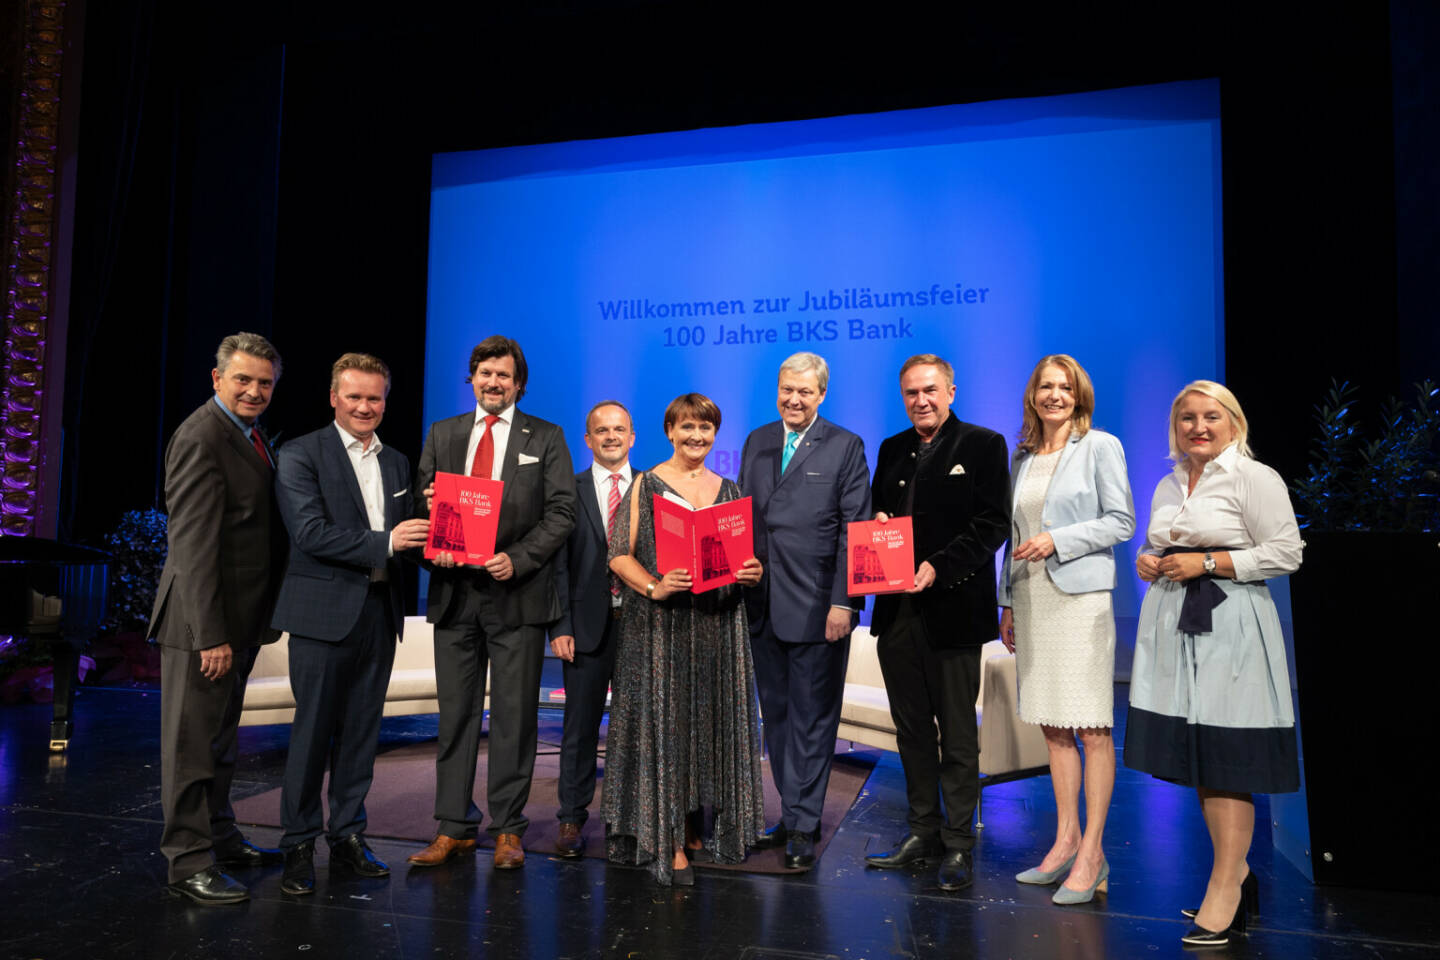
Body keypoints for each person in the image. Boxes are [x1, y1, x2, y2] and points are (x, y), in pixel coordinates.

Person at [1125, 380, 1302, 947]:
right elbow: (1164, 546)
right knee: (1203, 755)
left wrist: (1208, 561)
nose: (1198, 427)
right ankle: (1238, 876)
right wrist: (1151, 563)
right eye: (1187, 419)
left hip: (1231, 626)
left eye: (1210, 417)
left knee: (1230, 756)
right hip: (1177, 627)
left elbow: (1286, 552)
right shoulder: (1169, 482)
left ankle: (1225, 887)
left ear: (1233, 423)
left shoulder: (1254, 478)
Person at [408, 336, 576, 870]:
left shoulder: (546, 437)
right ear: (472, 378)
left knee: (513, 719)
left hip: (517, 596)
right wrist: (435, 522)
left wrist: (519, 559)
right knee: (455, 718)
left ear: (519, 384)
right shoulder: (443, 433)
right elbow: (421, 503)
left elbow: (562, 512)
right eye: (485, 373)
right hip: (456, 597)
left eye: (504, 375)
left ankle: (508, 829)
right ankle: (453, 826)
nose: (493, 383)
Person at [270, 353, 431, 895]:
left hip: (380, 614)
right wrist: (388, 542)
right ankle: (296, 844)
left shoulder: (397, 462)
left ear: (386, 401)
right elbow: (310, 533)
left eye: (375, 398)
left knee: (362, 736)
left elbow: (409, 540)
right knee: (312, 736)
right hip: (321, 618)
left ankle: (347, 836)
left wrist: (446, 539)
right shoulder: (299, 453)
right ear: (333, 397)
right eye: (355, 396)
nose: (365, 407)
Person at [149, 332, 288, 904]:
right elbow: (192, 547)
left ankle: (221, 837)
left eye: (264, 383)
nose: (254, 391)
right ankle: (187, 861)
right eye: (243, 380)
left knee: (221, 741)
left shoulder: (247, 434)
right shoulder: (201, 435)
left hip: (239, 623)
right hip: (201, 626)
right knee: (191, 747)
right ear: (217, 379)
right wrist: (210, 636)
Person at [605, 393, 766, 886]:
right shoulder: (644, 484)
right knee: (669, 730)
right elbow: (618, 555)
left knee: (704, 724)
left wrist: (752, 572)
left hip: (717, 626)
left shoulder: (730, 488)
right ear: (669, 430)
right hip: (660, 627)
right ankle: (668, 839)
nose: (697, 436)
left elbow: (743, 558)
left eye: (706, 428)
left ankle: (696, 821)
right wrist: (654, 585)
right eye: (688, 427)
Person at [863, 354, 1010, 892]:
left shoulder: (982, 444)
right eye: (910, 393)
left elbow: (992, 523)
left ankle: (958, 843)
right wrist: (879, 525)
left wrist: (939, 567)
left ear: (951, 390)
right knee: (911, 732)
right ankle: (921, 833)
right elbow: (881, 515)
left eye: (930, 390)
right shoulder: (891, 448)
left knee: (957, 735)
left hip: (951, 610)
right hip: (896, 613)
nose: (920, 400)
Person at [997, 354, 1135, 904]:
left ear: (1079, 396)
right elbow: (1014, 534)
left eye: (1065, 387)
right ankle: (1064, 842)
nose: (1055, 395)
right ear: (1032, 395)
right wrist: (1006, 602)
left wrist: (1060, 539)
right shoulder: (1025, 455)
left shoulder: (1099, 445)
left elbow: (1120, 521)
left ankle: (1094, 853)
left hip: (1079, 603)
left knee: (1091, 726)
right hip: (1032, 599)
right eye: (1045, 386)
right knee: (1054, 728)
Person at [738, 352, 870, 871]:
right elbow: (744, 518)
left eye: (805, 392)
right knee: (777, 718)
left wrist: (844, 601)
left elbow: (853, 531)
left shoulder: (845, 445)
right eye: (786, 390)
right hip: (760, 604)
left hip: (819, 609)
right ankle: (792, 812)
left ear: (822, 395)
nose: (794, 400)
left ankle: (804, 823)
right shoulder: (757, 440)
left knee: (814, 721)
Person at [547, 400, 636, 858]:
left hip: (642, 628)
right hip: (583, 628)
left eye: (619, 429)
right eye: (601, 430)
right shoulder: (568, 488)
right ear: (588, 439)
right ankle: (570, 819)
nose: (611, 436)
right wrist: (559, 624)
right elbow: (556, 564)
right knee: (579, 728)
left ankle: (628, 820)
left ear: (632, 436)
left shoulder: (650, 487)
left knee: (636, 729)